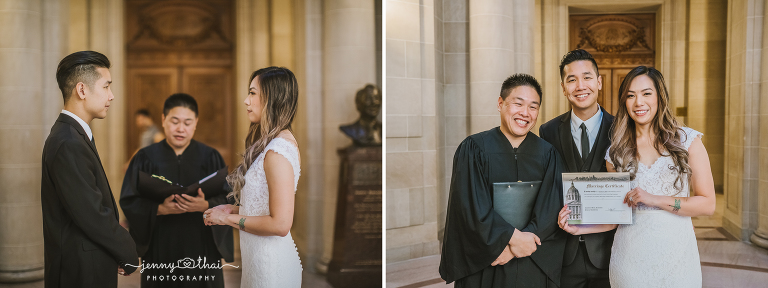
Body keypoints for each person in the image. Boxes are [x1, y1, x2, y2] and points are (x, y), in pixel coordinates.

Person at [557, 66, 716, 287]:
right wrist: (580, 227)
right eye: (630, 96)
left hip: (677, 256)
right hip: (630, 258)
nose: (638, 102)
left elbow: (707, 204)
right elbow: (617, 215)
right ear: (624, 102)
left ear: (660, 97)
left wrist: (654, 199)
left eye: (646, 93)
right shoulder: (616, 152)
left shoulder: (688, 141)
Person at [439, 74, 566, 287]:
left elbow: (551, 207)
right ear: (500, 103)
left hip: (532, 261)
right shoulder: (474, 149)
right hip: (487, 260)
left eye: (533, 107)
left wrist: (524, 242)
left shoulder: (548, 154)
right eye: (518, 104)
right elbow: (470, 207)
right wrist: (511, 242)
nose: (525, 113)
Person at [41, 50, 139, 287]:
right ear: (82, 90)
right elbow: (92, 213)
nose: (112, 95)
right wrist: (127, 250)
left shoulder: (73, 134)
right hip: (81, 269)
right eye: (106, 86)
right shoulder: (68, 141)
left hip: (90, 259)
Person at [120, 93, 234, 288]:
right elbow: (129, 199)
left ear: (196, 123)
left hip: (202, 245)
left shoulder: (211, 157)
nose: (181, 128)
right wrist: (158, 209)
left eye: (188, 122)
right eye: (175, 121)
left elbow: (230, 198)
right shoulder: (144, 157)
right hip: (160, 245)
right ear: (163, 120)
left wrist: (206, 205)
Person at [203, 67, 303, 287]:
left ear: (272, 97)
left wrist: (226, 220)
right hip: (258, 263)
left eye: (252, 93)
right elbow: (264, 208)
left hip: (272, 269)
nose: (246, 101)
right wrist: (231, 209)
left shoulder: (277, 151)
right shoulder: (271, 144)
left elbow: (280, 224)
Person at [539, 49, 615, 288]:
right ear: (563, 87)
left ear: (599, 82)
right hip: (564, 254)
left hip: (610, 251)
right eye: (572, 79)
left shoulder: (623, 129)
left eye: (587, 77)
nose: (580, 86)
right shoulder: (548, 132)